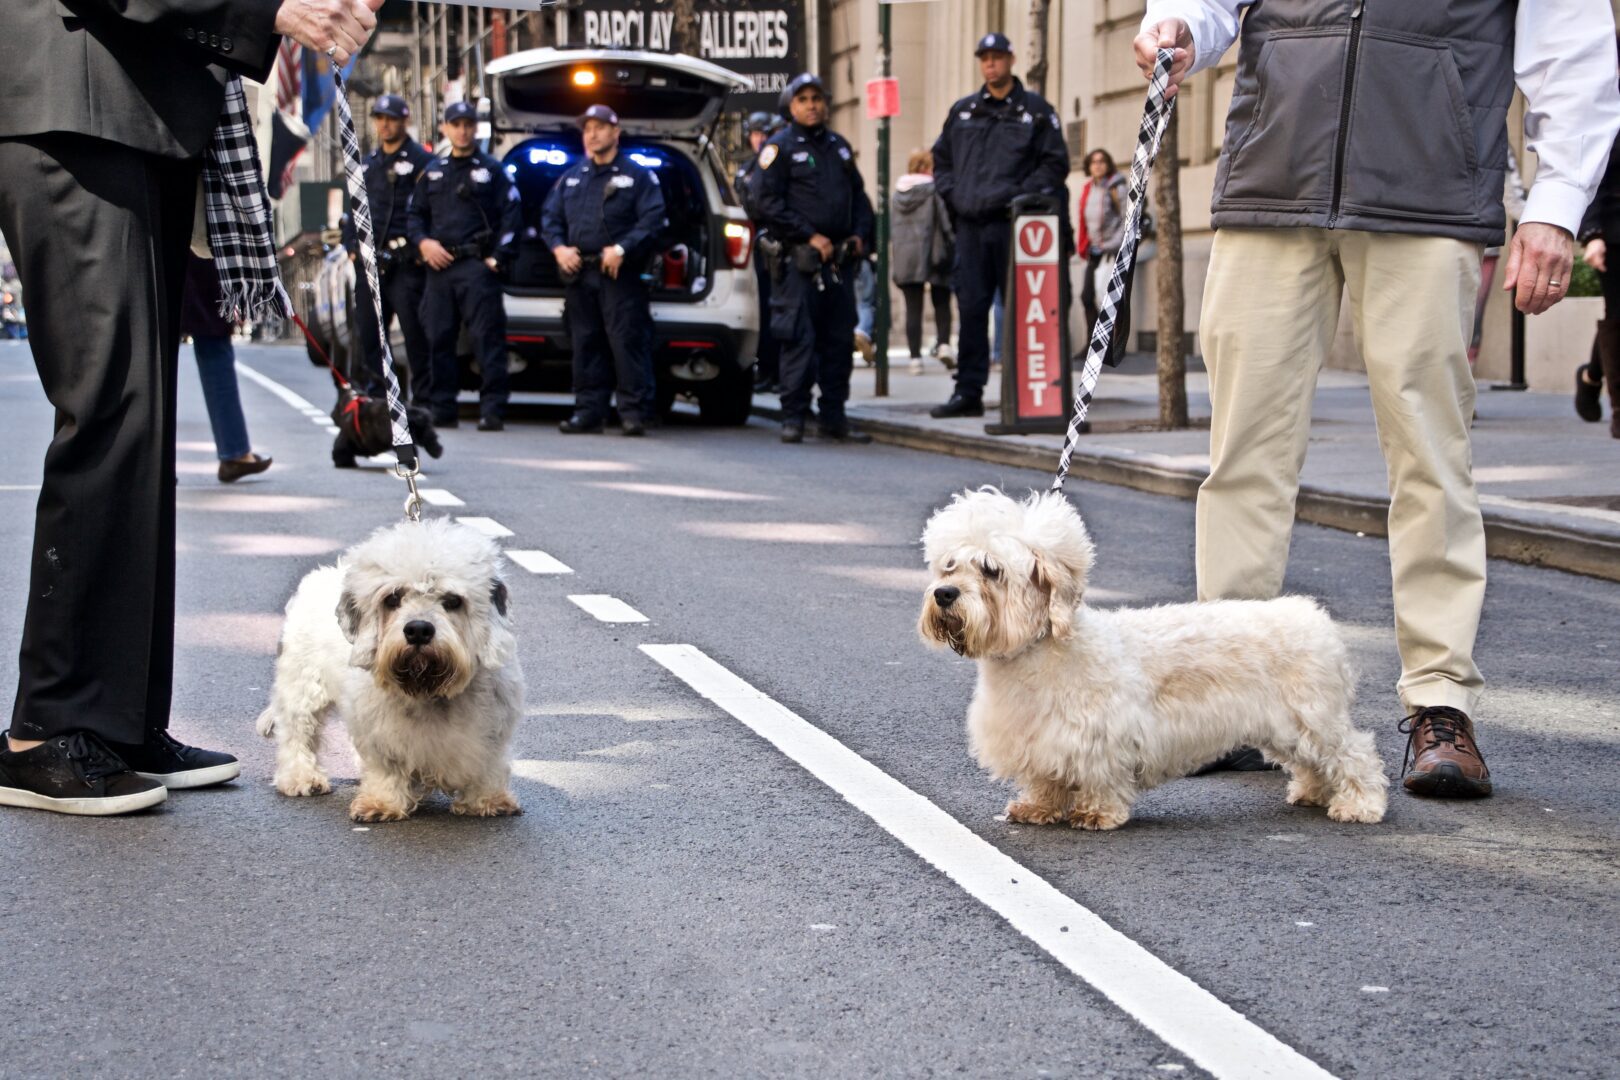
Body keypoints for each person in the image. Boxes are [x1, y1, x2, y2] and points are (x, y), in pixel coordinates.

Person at [1137, 1, 1620, 796]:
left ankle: (1440, 704)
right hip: (1273, 178)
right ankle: (1228, 694)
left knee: (1431, 458)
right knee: (1243, 454)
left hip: (1429, 193)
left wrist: (1555, 203)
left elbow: (1572, 49)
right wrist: (1181, 25)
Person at [0, 0, 382, 816]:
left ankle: (117, 721)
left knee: (139, 428)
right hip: (76, 109)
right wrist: (273, 8)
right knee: (108, 411)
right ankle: (46, 730)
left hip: (137, 114)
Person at [930, 32, 1070, 418]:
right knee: (972, 310)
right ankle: (968, 392)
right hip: (972, 228)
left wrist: (1019, 198)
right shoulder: (963, 111)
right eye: (984, 58)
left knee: (1025, 312)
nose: (990, 64)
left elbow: (1055, 164)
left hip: (1016, 228)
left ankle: (1030, 395)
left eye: (997, 57)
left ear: (1010, 60)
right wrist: (953, 196)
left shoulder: (1035, 110)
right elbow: (940, 161)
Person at [752, 73, 876, 444]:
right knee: (799, 340)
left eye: (817, 98)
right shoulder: (779, 148)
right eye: (803, 99)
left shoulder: (839, 147)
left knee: (839, 340)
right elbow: (764, 202)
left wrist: (859, 237)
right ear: (792, 107)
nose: (812, 105)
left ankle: (833, 416)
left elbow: (860, 199)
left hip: (837, 263)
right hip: (799, 263)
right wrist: (809, 235)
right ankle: (794, 416)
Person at [541, 104, 667, 437]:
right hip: (581, 273)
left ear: (616, 131)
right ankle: (588, 412)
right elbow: (549, 218)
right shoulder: (573, 177)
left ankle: (634, 413)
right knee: (585, 342)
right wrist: (559, 248)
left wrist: (623, 248)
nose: (593, 134)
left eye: (600, 127)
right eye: (587, 128)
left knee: (627, 342)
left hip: (620, 275)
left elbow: (654, 220)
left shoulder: (638, 176)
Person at [407, 100, 521, 432]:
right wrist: (424, 244)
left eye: (468, 124)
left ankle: (493, 409)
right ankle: (443, 409)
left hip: (476, 266)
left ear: (475, 129)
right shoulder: (433, 171)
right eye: (456, 124)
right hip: (440, 267)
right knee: (438, 339)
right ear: (445, 128)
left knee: (487, 339)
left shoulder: (493, 170)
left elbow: (512, 214)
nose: (462, 130)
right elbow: (415, 216)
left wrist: (498, 258)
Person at [340, 93, 433, 419]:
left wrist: (421, 247)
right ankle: (379, 401)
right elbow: (352, 210)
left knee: (415, 336)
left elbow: (430, 210)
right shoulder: (366, 163)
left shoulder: (422, 161)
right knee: (369, 335)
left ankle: (423, 402)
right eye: (380, 118)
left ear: (404, 120)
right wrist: (352, 248)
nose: (385, 124)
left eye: (391, 118)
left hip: (406, 264)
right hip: (370, 264)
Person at [180, 254, 272, 483]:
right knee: (214, 343)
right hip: (200, 245)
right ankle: (235, 452)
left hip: (152, 239)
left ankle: (152, 463)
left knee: (154, 353)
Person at [1576, 64, 1620, 436]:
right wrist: (1592, 234)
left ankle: (1591, 376)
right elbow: (1592, 171)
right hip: (1616, 232)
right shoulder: (1607, 102)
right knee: (1619, 317)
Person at [891, 148, 956, 375]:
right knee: (942, 301)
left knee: (913, 309)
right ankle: (944, 344)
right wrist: (954, 242)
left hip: (907, 256)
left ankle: (915, 359)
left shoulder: (898, 194)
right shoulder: (934, 190)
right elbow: (946, 222)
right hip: (934, 252)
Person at [735, 111, 782, 394]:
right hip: (754, 247)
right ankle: (764, 369)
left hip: (774, 245)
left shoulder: (774, 165)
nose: (759, 140)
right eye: (754, 134)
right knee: (760, 311)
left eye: (763, 134)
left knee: (776, 311)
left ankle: (775, 371)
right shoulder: (749, 167)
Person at [1076, 148, 1128, 345]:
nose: (1097, 165)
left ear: (1108, 165)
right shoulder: (1088, 189)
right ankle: (1093, 342)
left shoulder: (1117, 188)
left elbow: (1126, 221)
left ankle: (1113, 344)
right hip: (1094, 251)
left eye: (1102, 161)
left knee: (1110, 299)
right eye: (1093, 162)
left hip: (1111, 252)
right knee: (1087, 296)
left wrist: (1109, 245)